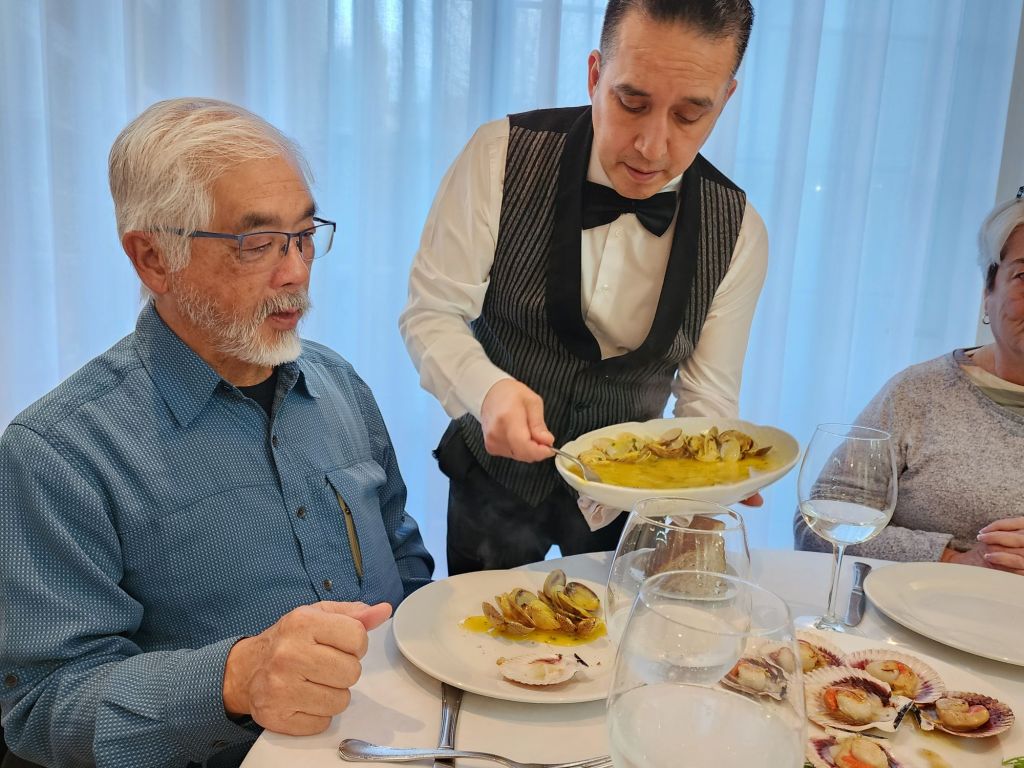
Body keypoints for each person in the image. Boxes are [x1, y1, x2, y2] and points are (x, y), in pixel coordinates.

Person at [0, 98, 434, 768]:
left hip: (397, 742)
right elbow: (41, 706)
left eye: (304, 235)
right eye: (255, 244)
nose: (295, 272)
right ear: (152, 258)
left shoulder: (339, 385)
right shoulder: (59, 454)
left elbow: (402, 555)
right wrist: (234, 681)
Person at [400, 0, 768, 574]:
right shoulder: (499, 155)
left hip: (629, 502)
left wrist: (703, 494)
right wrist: (488, 390)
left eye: (688, 115)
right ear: (595, 75)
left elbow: (706, 401)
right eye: (632, 103)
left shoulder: (738, 231)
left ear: (724, 100)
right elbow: (432, 312)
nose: (652, 146)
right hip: (493, 481)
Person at [794, 191, 1024, 575]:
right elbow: (816, 528)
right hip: (907, 609)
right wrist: (953, 561)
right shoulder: (918, 394)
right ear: (989, 291)